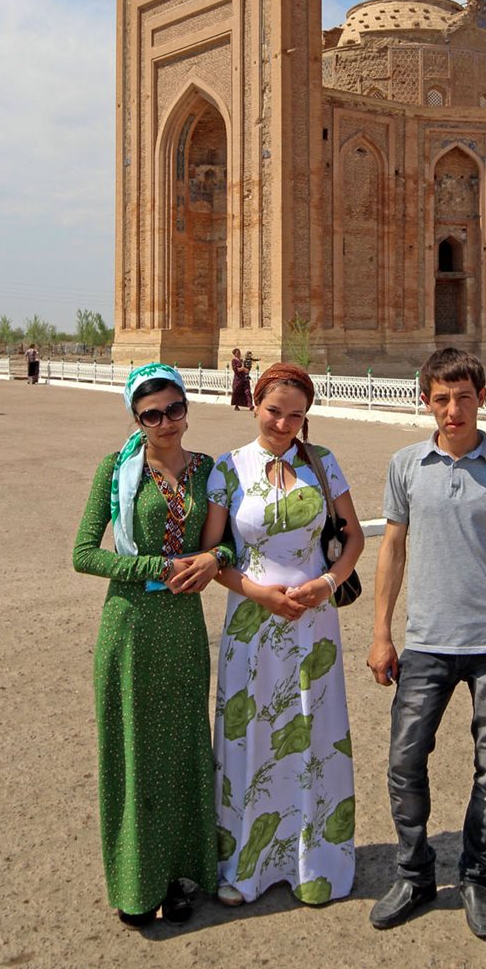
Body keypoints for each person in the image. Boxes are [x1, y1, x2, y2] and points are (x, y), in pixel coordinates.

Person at [366, 347, 486, 940]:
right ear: (427, 402)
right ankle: (414, 873)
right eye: (442, 398)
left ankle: (476, 877)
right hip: (428, 642)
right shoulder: (406, 465)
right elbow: (392, 549)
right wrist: (381, 632)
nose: (453, 409)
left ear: (481, 399)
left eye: (464, 396)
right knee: (404, 760)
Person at [197, 362, 363, 907]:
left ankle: (315, 863)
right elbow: (215, 555)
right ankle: (245, 865)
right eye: (274, 411)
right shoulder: (229, 468)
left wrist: (329, 581)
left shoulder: (323, 463)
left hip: (314, 624)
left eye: (296, 414)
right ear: (254, 405)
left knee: (313, 736)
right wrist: (257, 592)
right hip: (253, 624)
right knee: (252, 743)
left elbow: (354, 536)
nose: (284, 423)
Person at [72, 363, 224, 927]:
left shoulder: (208, 471)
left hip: (183, 627)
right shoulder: (116, 470)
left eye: (174, 410)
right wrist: (152, 565)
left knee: (184, 752)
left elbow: (227, 543)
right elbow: (84, 552)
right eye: (151, 414)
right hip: (131, 625)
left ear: (187, 407)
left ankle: (179, 875)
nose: (165, 422)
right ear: (137, 419)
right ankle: (137, 882)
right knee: (133, 754)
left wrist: (214, 558)